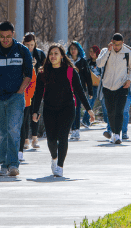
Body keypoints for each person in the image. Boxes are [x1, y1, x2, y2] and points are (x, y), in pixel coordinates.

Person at [31, 44, 95, 177]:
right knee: (51, 140)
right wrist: (35, 111)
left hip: (67, 108)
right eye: (51, 54)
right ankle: (54, 158)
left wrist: (89, 110)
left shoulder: (70, 71)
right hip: (49, 109)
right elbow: (38, 93)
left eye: (56, 53)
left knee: (63, 136)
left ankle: (60, 166)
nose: (53, 56)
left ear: (61, 56)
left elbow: (79, 91)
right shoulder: (43, 73)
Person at [0, 21, 32, 177]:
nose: (6, 40)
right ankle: (3, 165)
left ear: (13, 34)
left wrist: (20, 91)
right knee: (1, 132)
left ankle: (14, 165)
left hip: (15, 98)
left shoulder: (22, 51)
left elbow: (29, 73)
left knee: (14, 130)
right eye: (2, 37)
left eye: (8, 36)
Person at [96, 33, 131, 144]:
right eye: (114, 44)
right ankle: (114, 132)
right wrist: (109, 51)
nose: (116, 47)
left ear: (122, 43)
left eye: (119, 44)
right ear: (111, 42)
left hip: (122, 86)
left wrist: (129, 79)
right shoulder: (106, 51)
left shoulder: (128, 52)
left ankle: (117, 135)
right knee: (110, 111)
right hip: (107, 86)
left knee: (119, 111)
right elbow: (99, 64)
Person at [22, 33, 45, 149]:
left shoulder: (40, 54)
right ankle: (26, 139)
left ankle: (35, 138)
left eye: (32, 44)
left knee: (35, 113)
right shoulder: (20, 53)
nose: (30, 47)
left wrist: (37, 67)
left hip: (37, 88)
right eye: (27, 45)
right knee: (25, 114)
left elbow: (46, 68)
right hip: (25, 89)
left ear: (35, 43)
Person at [68, 41, 93, 140]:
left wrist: (90, 91)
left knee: (77, 109)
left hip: (79, 89)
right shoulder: (67, 61)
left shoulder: (83, 61)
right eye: (71, 49)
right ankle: (71, 128)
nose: (73, 51)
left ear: (78, 50)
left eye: (75, 49)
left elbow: (88, 77)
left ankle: (76, 130)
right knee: (70, 110)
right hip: (68, 89)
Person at [19, 56, 37, 162]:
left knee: (22, 126)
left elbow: (33, 83)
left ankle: (20, 152)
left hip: (25, 102)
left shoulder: (29, 67)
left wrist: (27, 96)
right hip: (11, 100)